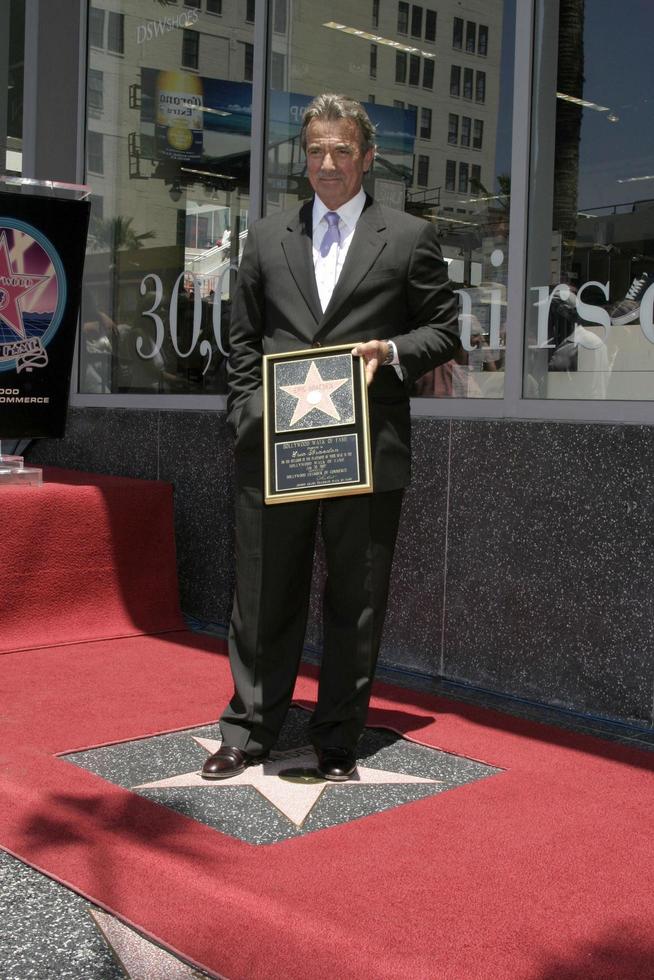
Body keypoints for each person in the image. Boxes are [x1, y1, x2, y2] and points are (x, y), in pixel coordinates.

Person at [202, 93, 460, 783]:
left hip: (367, 449)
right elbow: (243, 346)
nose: (327, 163)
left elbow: (444, 331)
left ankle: (338, 736)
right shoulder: (264, 238)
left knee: (356, 598)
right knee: (262, 594)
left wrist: (390, 351)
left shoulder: (407, 238)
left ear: (367, 158)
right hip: (275, 448)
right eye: (315, 150)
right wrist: (246, 422)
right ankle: (249, 729)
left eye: (342, 150)